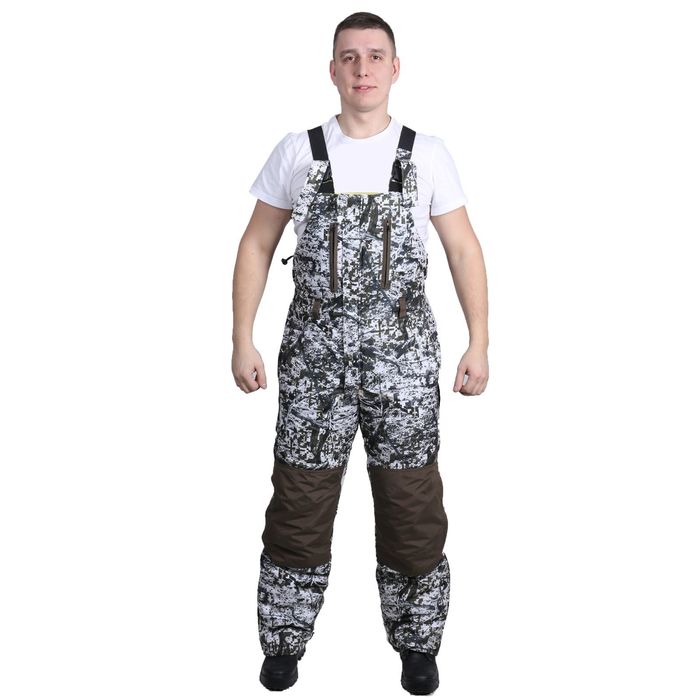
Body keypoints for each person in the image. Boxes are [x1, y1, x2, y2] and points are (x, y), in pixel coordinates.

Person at [231, 11, 489, 695]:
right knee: (300, 500)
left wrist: (480, 341)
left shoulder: (426, 154)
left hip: (403, 364)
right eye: (350, 57)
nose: (363, 68)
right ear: (333, 70)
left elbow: (463, 249)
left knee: (411, 503)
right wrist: (241, 336)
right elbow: (256, 244)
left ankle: (417, 645)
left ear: (395, 69)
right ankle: (284, 643)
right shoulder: (299, 150)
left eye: (375, 56)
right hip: (313, 361)